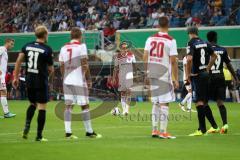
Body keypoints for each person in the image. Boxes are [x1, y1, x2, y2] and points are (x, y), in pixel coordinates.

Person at [12, 25, 54, 142]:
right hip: (41, 81)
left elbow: (18, 61)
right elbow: (51, 69)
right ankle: (39, 136)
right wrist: (49, 79)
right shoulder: (47, 49)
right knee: (42, 107)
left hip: (29, 80)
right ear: (45, 35)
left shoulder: (26, 46)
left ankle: (26, 127)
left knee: (32, 104)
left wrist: (15, 77)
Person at [59, 27, 102, 139]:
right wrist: (88, 78)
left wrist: (64, 78)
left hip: (67, 80)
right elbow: (84, 63)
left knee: (68, 106)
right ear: (80, 36)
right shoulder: (81, 46)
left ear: (71, 36)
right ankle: (89, 131)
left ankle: (68, 132)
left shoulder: (63, 47)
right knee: (85, 105)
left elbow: (62, 65)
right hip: (78, 80)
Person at [143, 16, 179, 139]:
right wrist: (175, 78)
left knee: (156, 102)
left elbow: (145, 56)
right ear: (168, 25)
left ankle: (154, 130)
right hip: (164, 74)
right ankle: (163, 131)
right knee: (164, 103)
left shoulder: (150, 38)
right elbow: (173, 62)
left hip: (152, 72)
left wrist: (146, 72)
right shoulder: (171, 40)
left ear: (158, 25)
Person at [205, 31, 239, 134]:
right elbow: (228, 65)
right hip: (220, 77)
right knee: (220, 102)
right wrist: (236, 78)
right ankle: (225, 125)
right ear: (216, 38)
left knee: (204, 102)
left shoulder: (206, 50)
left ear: (208, 39)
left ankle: (214, 126)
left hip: (209, 78)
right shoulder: (222, 49)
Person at [186, 26, 217, 136]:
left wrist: (188, 74)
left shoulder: (191, 43)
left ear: (189, 33)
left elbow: (189, 59)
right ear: (197, 32)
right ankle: (214, 126)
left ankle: (201, 129)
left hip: (197, 75)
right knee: (204, 102)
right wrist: (208, 68)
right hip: (205, 74)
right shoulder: (205, 42)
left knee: (199, 102)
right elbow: (214, 56)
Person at [112, 43, 136, 115]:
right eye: (123, 48)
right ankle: (123, 109)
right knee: (122, 93)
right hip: (121, 76)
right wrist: (113, 78)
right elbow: (115, 68)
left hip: (129, 75)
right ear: (121, 48)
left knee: (129, 91)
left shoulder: (131, 55)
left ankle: (126, 110)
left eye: (126, 48)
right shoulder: (118, 57)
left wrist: (135, 74)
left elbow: (134, 65)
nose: (125, 49)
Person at [0, 38, 16, 118]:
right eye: (11, 44)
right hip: (0, 76)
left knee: (2, 92)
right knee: (3, 92)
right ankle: (6, 113)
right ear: (7, 42)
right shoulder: (2, 49)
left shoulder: (5, 51)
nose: (12, 46)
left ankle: (6, 113)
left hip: (2, 75)